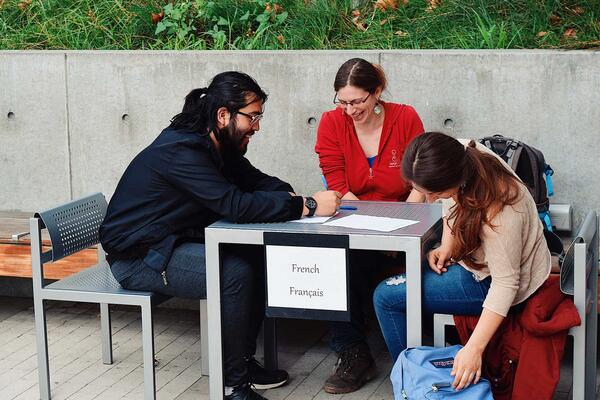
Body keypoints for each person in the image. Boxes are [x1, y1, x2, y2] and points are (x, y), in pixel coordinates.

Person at [99, 71, 341, 400]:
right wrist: (308, 205)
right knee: (235, 272)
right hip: (140, 258)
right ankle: (232, 385)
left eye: (259, 116)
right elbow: (235, 205)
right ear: (224, 115)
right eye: (252, 116)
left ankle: (240, 362)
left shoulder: (216, 144)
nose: (257, 126)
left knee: (257, 258)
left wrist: (287, 195)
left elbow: (254, 181)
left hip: (172, 243)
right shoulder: (184, 151)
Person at [373, 132, 551, 392]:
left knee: (386, 297)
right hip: (482, 263)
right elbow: (450, 203)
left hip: (501, 282)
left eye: (434, 193)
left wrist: (473, 350)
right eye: (422, 192)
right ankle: (422, 374)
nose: (430, 200)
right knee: (407, 277)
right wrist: (447, 245)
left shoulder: (501, 210)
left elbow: (505, 284)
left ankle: (412, 383)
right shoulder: (462, 151)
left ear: (455, 180)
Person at [313, 58, 425, 394]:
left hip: (410, 221)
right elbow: (337, 183)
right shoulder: (332, 123)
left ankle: (414, 356)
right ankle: (352, 353)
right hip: (354, 219)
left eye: (357, 101)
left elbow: (421, 182)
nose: (349, 110)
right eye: (342, 101)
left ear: (376, 93)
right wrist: (374, 233)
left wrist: (402, 229)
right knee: (332, 260)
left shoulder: (405, 117)